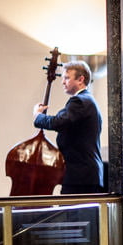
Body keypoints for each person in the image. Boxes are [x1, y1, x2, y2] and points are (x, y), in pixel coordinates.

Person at [33, 60, 104, 194]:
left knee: (74, 214)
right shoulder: (85, 100)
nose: (62, 82)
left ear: (80, 79)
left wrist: (38, 116)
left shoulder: (80, 101)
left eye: (67, 78)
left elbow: (58, 122)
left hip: (81, 177)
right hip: (82, 175)